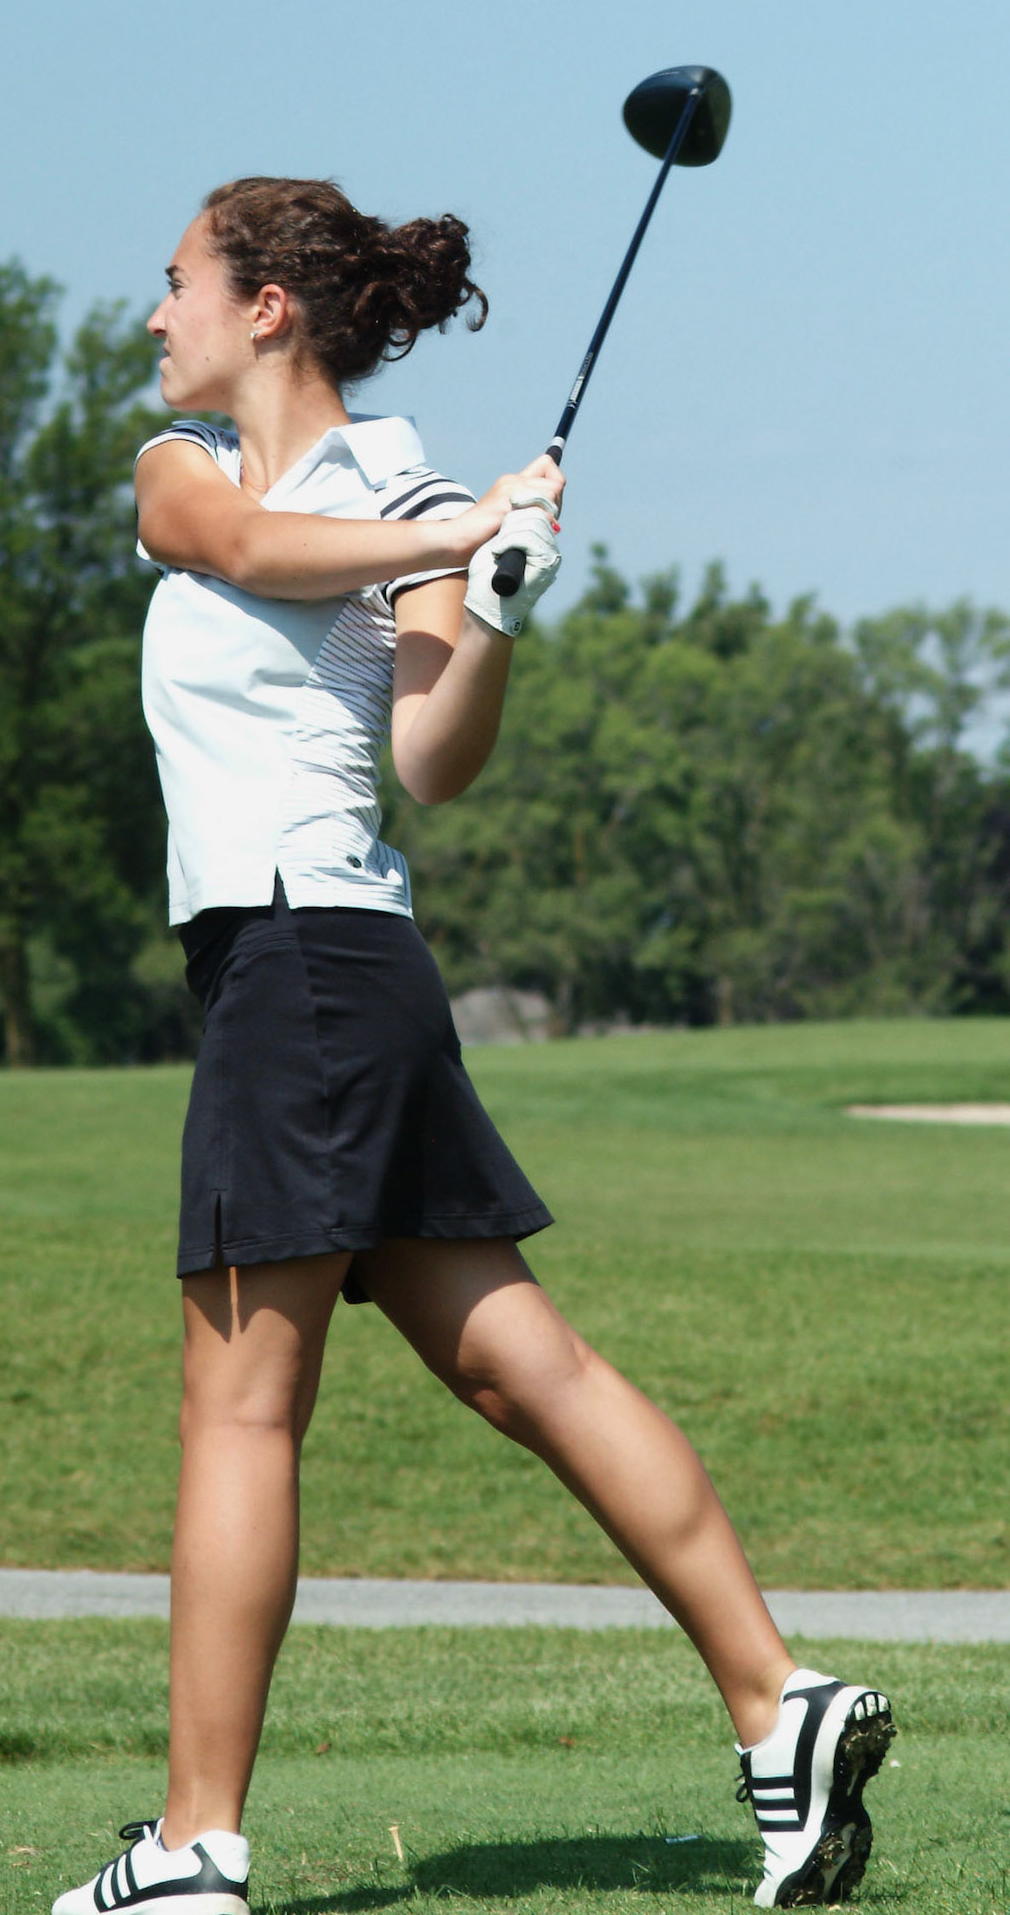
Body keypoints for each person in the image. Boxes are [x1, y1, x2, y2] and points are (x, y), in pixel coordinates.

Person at [53, 179, 892, 1915]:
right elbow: (246, 557)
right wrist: (449, 540)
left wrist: (493, 596)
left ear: (268, 303)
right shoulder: (190, 474)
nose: (156, 319)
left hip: (307, 963)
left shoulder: (422, 496)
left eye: (177, 283)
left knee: (240, 1412)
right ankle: (777, 1703)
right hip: (339, 980)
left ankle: (196, 1849)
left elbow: (434, 756)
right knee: (527, 1368)